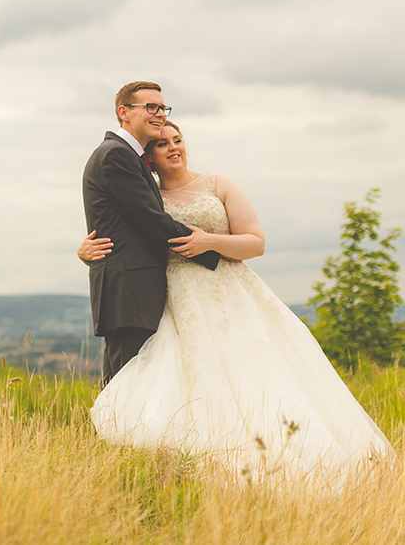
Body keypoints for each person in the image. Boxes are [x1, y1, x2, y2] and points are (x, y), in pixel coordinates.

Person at [81, 121, 393, 483]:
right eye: (162, 144)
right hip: (176, 300)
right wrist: (84, 250)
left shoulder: (218, 183)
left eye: (178, 140)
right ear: (148, 157)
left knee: (259, 374)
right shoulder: (148, 198)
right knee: (194, 382)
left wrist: (210, 242)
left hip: (231, 291)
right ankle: (198, 468)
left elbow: (255, 242)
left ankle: (297, 461)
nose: (173, 148)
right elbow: (119, 236)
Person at [81, 82, 220, 390]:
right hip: (129, 289)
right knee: (125, 383)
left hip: (136, 288)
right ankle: (113, 438)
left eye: (162, 108)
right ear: (124, 112)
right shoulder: (115, 155)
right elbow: (151, 220)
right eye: (150, 107)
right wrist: (214, 250)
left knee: (140, 383)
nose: (159, 114)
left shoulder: (130, 157)